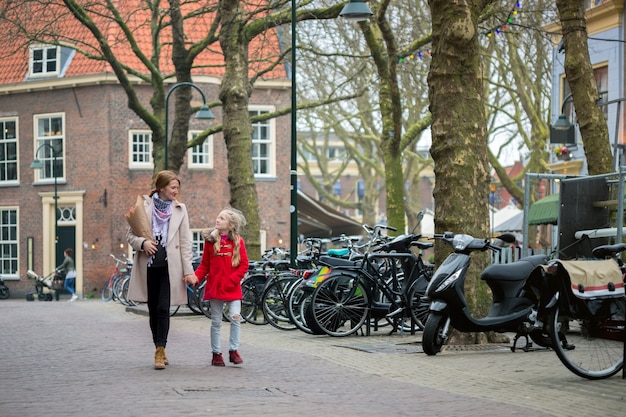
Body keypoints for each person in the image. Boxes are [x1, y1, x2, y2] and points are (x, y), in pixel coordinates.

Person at [126, 170, 196, 370]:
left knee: (164, 308)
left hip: (169, 267)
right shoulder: (144, 205)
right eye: (173, 187)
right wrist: (142, 243)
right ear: (162, 187)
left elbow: (185, 243)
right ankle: (158, 345)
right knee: (153, 309)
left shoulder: (180, 210)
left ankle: (160, 350)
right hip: (148, 266)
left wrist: (188, 271)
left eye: (177, 188)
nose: (176, 191)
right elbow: (130, 235)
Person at [192, 208, 249, 366]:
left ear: (230, 225)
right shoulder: (210, 241)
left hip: (232, 288)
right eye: (218, 217)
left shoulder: (238, 241)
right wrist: (196, 277)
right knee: (216, 322)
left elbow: (244, 264)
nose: (217, 220)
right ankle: (216, 354)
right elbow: (205, 265)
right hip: (215, 287)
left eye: (222, 219)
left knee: (235, 318)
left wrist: (233, 279)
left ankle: (234, 350)